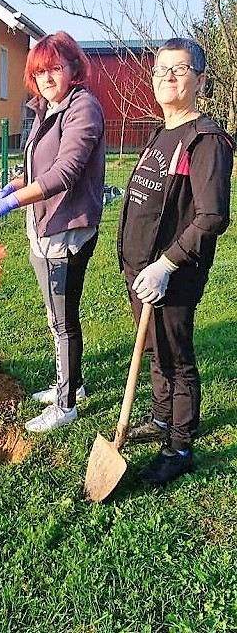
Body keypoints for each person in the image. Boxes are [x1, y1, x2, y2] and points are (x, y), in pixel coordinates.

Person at [118, 38, 235, 485]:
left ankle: (180, 447)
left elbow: (211, 217)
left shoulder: (205, 140)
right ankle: (161, 418)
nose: (167, 76)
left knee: (177, 358)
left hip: (173, 273)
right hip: (140, 269)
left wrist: (166, 265)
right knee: (154, 349)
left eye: (179, 69)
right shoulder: (161, 133)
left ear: (200, 81)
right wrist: (138, 263)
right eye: (160, 69)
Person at [0, 31, 105, 433]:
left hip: (66, 229)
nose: (47, 78)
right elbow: (37, 169)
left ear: (73, 67)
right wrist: (10, 188)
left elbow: (63, 173)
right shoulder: (46, 108)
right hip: (43, 225)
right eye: (39, 71)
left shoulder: (82, 109)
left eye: (55, 68)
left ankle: (66, 405)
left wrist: (10, 204)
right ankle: (72, 384)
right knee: (57, 315)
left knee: (62, 319)